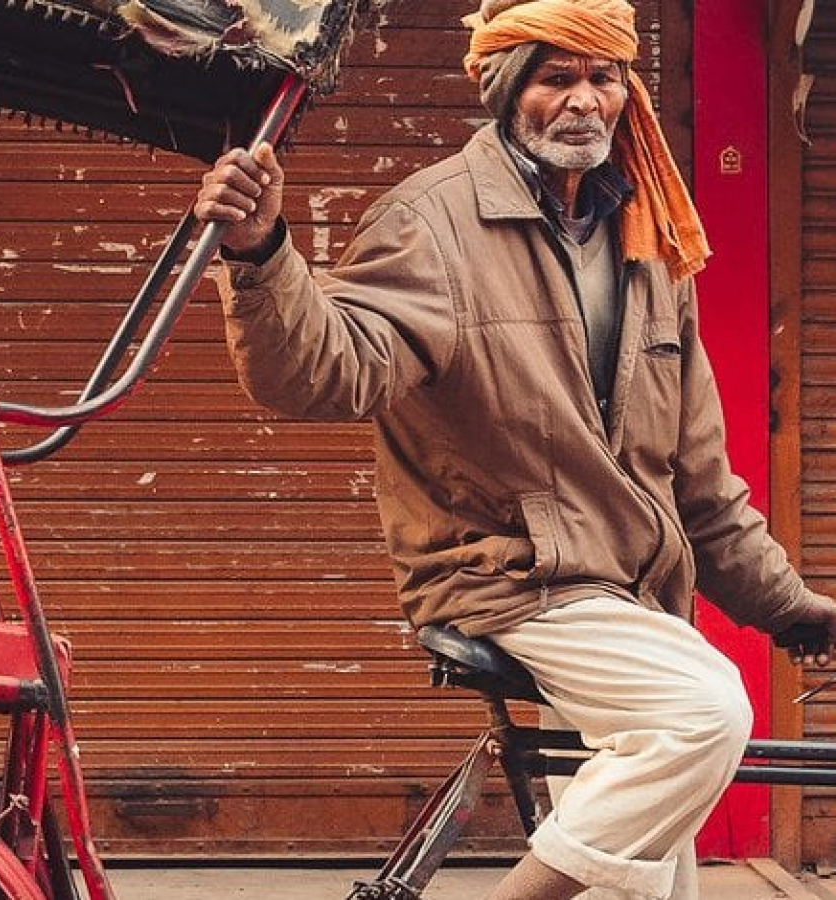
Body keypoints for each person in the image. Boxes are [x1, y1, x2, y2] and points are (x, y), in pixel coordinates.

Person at [192, 1, 836, 898]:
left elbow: (699, 485)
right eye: (554, 77)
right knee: (704, 709)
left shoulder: (650, 241)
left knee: (647, 878)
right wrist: (261, 252)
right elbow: (326, 373)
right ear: (506, 91)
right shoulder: (433, 221)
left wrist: (797, 613)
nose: (583, 101)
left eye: (602, 77)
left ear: (627, 91)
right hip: (509, 573)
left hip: (627, 593)